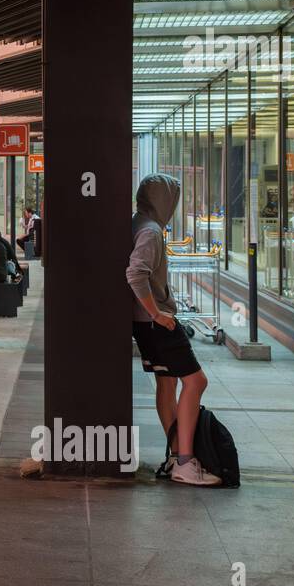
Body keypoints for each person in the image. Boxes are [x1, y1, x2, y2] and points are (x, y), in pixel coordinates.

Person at [127, 174, 218, 487]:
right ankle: (185, 461)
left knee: (166, 386)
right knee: (196, 382)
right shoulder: (151, 232)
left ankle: (176, 455)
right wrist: (158, 313)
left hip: (144, 323)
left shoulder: (136, 223)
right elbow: (135, 274)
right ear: (164, 201)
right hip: (157, 321)